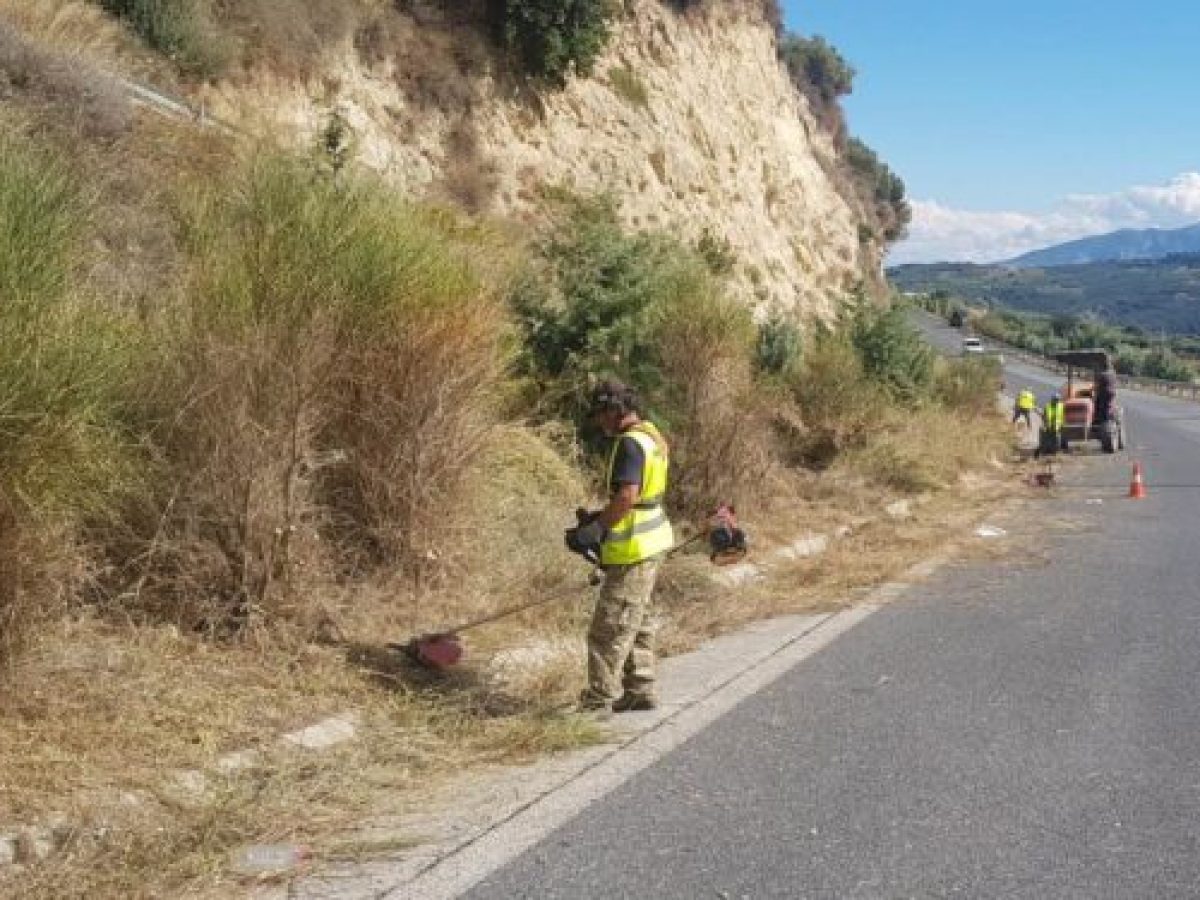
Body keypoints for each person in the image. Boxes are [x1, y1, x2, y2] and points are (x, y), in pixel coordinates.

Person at [566, 380, 674, 716]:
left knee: (608, 629)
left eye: (601, 414)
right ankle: (640, 690)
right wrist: (600, 518)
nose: (599, 422)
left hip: (634, 550)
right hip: (653, 542)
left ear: (616, 410)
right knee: (638, 620)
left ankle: (599, 699)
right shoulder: (652, 435)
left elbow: (627, 497)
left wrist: (596, 529)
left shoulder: (629, 445)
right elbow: (643, 497)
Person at [1037, 391, 1065, 458]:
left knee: (1057, 439)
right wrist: (1044, 423)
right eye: (1055, 399)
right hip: (1049, 425)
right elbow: (1044, 416)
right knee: (1047, 438)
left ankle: (1055, 451)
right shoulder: (1048, 406)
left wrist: (1062, 424)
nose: (1056, 401)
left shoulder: (1061, 406)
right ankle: (1045, 451)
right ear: (1052, 399)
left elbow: (1062, 415)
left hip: (1057, 426)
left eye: (1058, 400)